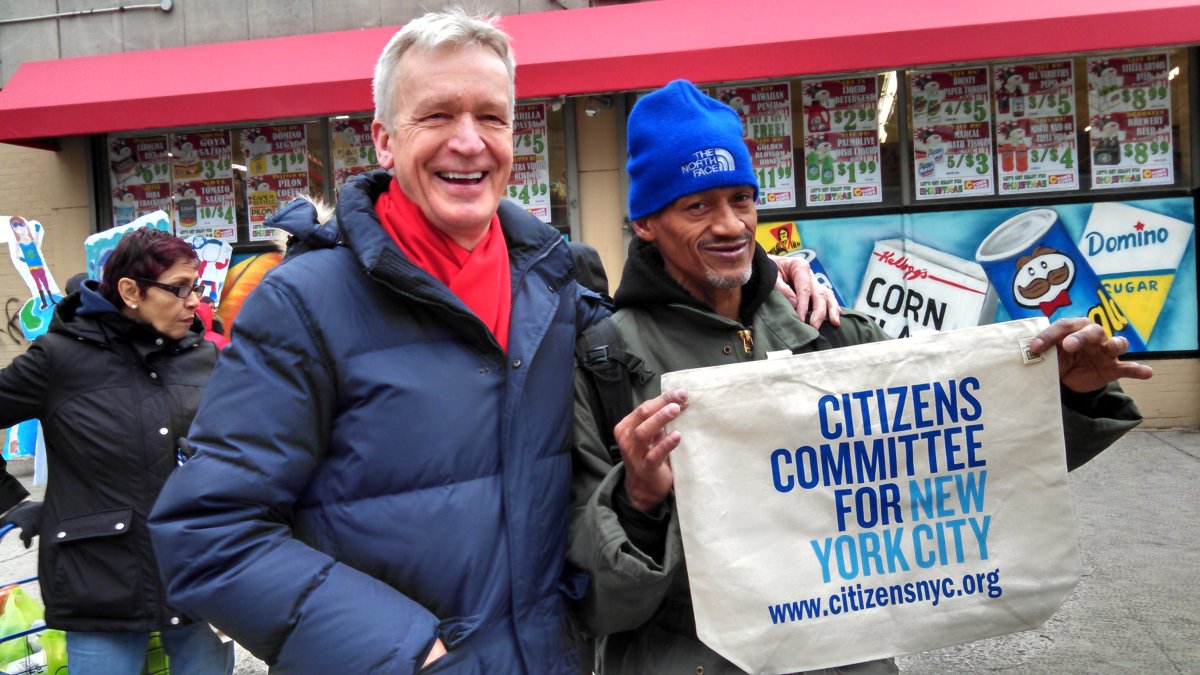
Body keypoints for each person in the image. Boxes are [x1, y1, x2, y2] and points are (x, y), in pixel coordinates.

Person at [146, 11, 834, 674]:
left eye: (491, 117)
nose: (468, 141)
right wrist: (404, 650)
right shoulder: (302, 305)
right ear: (384, 139)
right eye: (438, 115)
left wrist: (764, 290)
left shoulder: (558, 284)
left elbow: (664, 326)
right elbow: (207, 535)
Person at [566, 79, 1153, 675]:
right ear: (644, 223)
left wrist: (1069, 394)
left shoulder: (834, 335)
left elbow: (961, 462)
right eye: (697, 206)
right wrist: (637, 499)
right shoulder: (604, 363)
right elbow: (591, 599)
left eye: (741, 198)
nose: (731, 226)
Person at [0, 227, 228, 675]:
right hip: (101, 585)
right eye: (178, 289)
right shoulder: (61, 358)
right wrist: (13, 501)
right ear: (130, 291)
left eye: (195, 287)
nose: (193, 301)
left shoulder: (203, 357)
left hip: (198, 577)